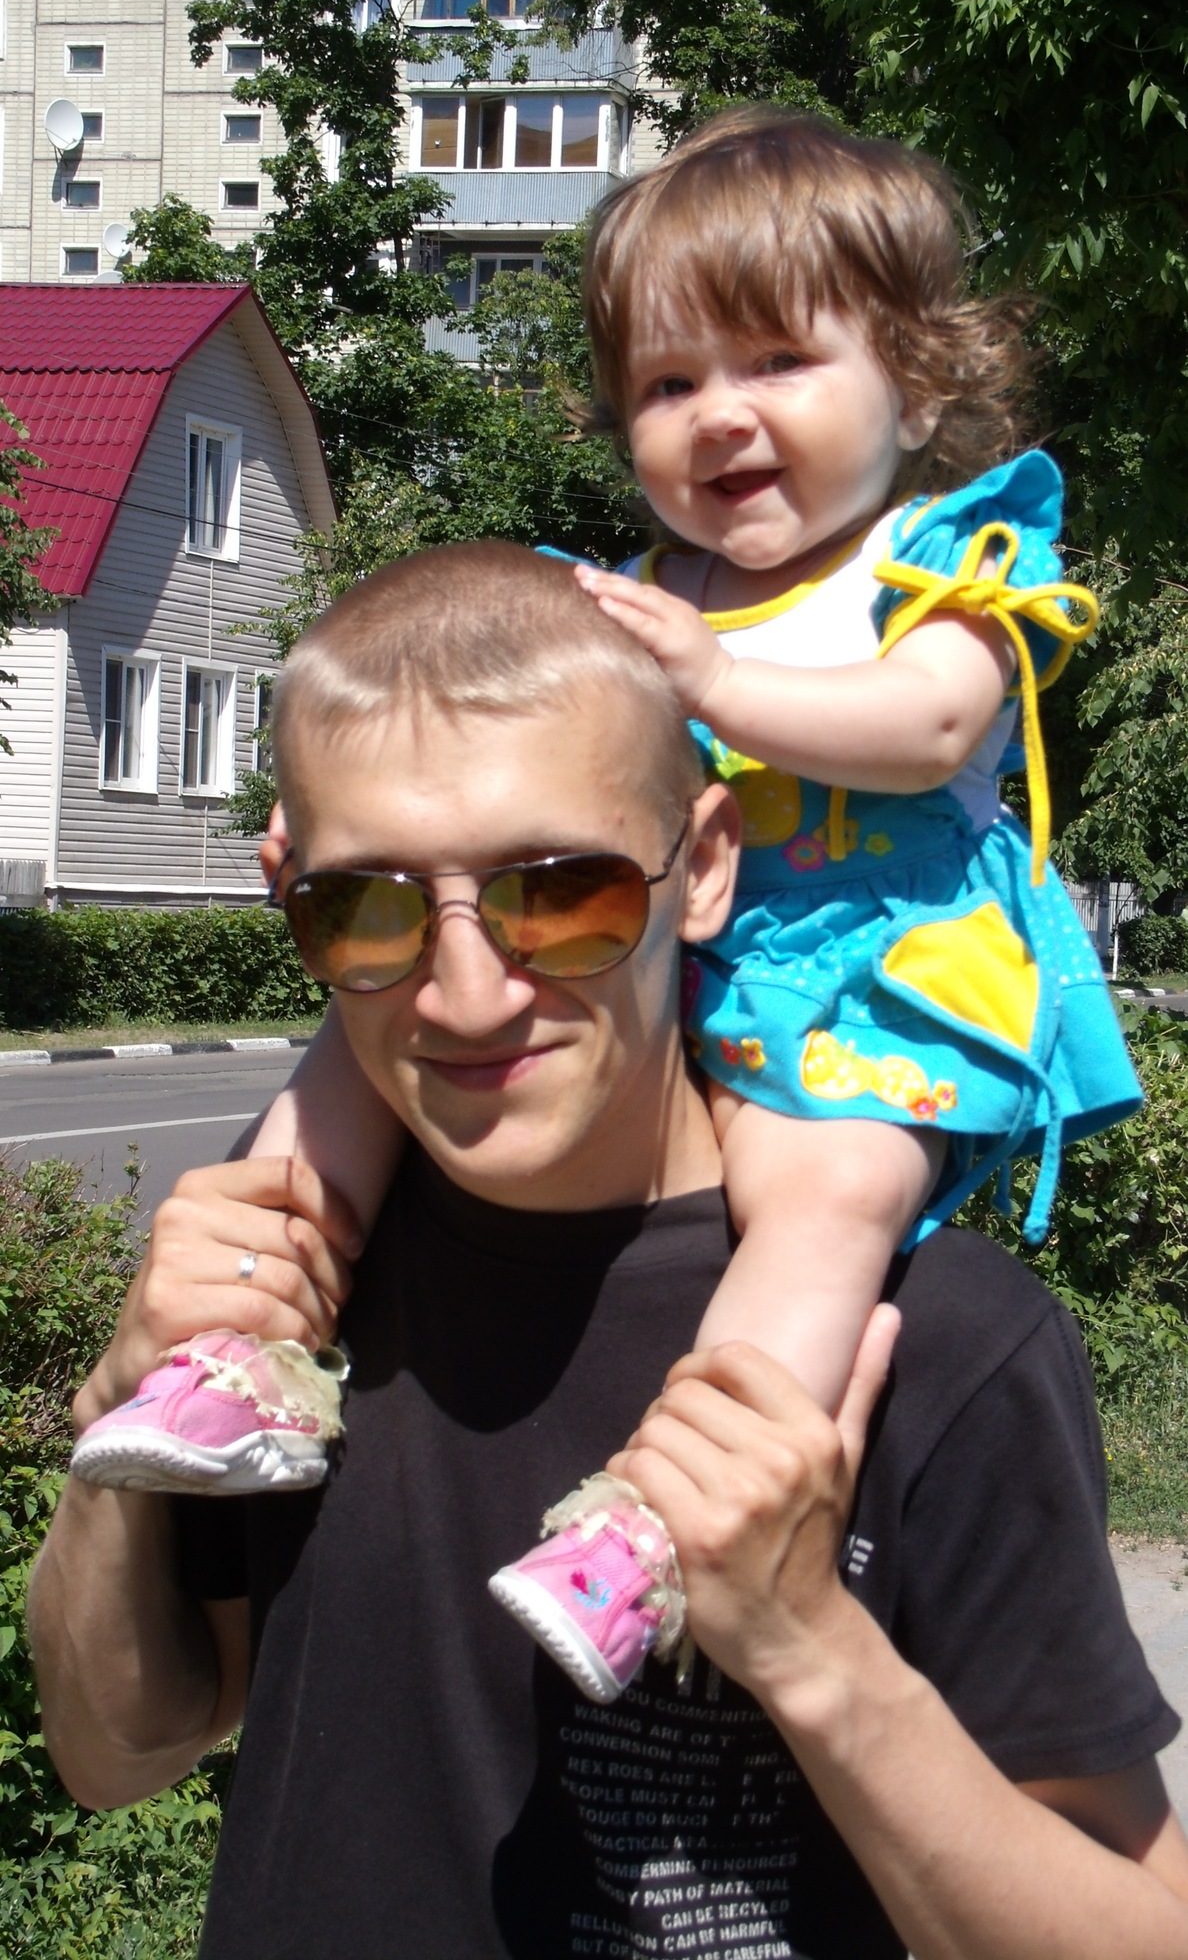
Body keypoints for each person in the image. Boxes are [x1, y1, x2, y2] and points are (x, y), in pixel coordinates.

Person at [69, 110, 1141, 1710]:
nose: (722, 414)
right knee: (363, 1041)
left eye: (778, 360)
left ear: (917, 385)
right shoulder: (637, 590)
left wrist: (712, 681)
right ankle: (245, 1350)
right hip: (654, 958)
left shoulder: (948, 559)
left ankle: (663, 1525)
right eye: (668, 383)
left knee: (823, 1204)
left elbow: (928, 727)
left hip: (866, 975)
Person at [28, 543, 1188, 1957]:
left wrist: (808, 1649)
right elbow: (116, 1754)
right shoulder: (284, 1268)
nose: (465, 996)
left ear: (704, 868)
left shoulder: (930, 1336)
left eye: (561, 894)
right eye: (370, 907)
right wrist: (118, 1423)